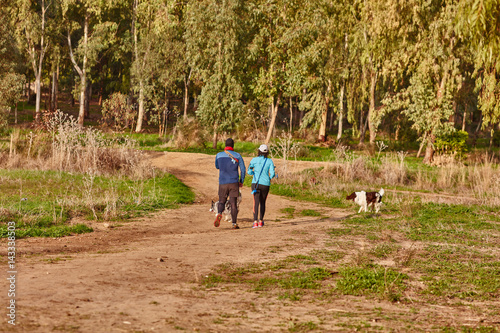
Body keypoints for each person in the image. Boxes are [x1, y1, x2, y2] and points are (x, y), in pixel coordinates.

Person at [214, 138, 246, 229]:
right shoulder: (238, 155)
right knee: (233, 203)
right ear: (233, 145)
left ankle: (219, 213)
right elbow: (243, 170)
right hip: (234, 182)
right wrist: (241, 181)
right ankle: (234, 224)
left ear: (225, 145)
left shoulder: (219, 155)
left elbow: (217, 166)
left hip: (223, 182)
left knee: (221, 201)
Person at [247, 144, 276, 228]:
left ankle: (255, 222)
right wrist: (269, 178)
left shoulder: (254, 160)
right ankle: (261, 221)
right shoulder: (270, 161)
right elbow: (273, 173)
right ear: (267, 152)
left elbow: (249, 171)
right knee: (263, 202)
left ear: (259, 151)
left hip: (255, 184)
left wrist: (253, 173)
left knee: (255, 202)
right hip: (265, 184)